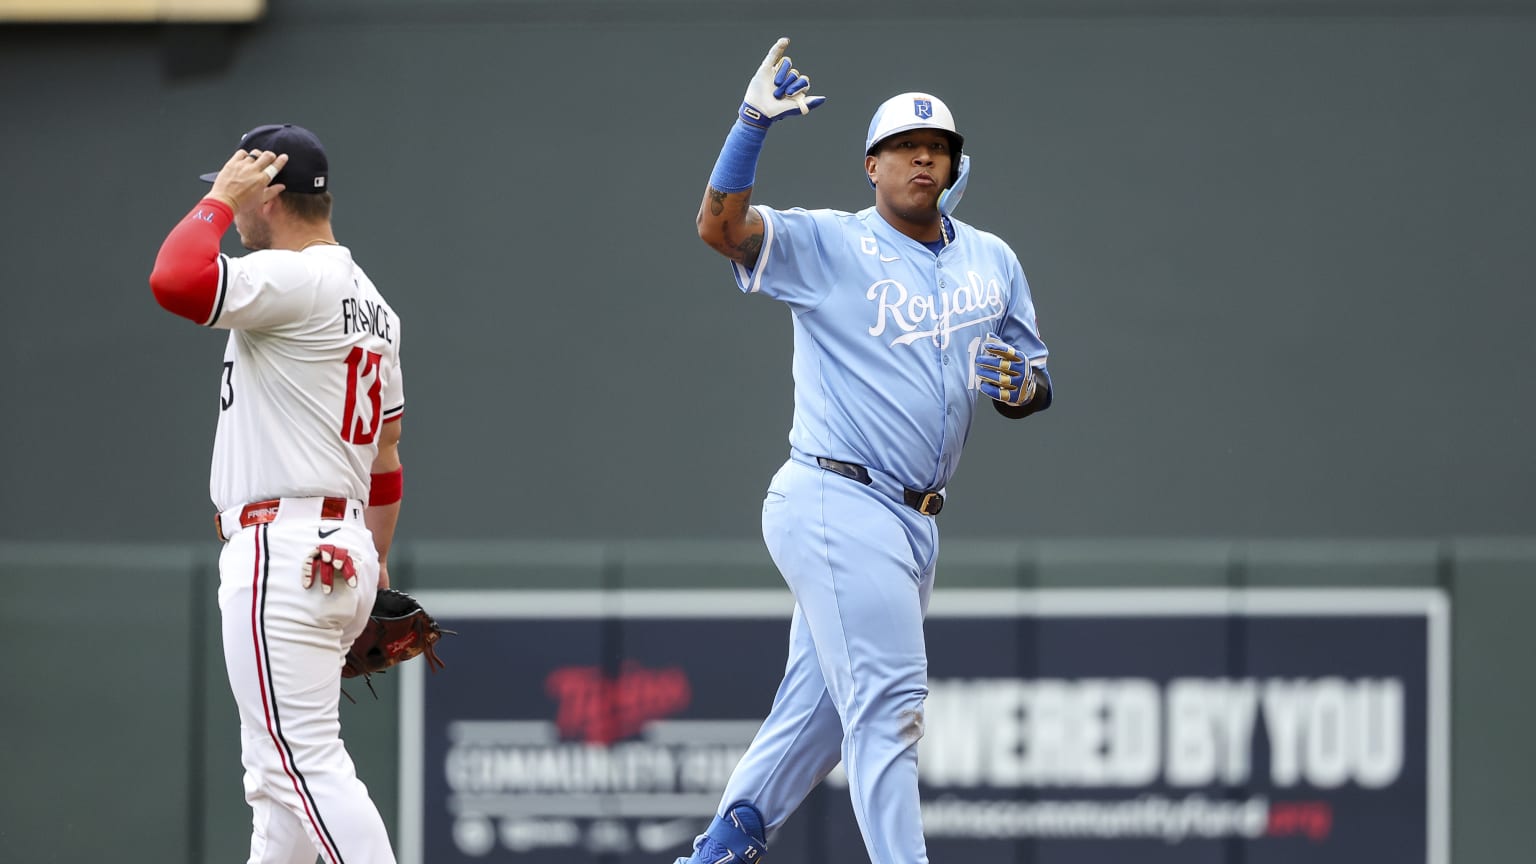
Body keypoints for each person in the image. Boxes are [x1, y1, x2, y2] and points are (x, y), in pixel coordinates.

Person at [682, 38, 1052, 864]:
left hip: (915, 521)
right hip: (834, 495)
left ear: (957, 164)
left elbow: (1035, 381)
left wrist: (1020, 388)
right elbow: (720, 227)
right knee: (889, 702)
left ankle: (718, 851)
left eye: (938, 148)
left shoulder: (992, 260)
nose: (924, 158)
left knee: (814, 717)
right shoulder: (829, 244)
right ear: (871, 167)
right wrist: (750, 128)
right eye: (903, 148)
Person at [149, 124, 405, 864]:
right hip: (339, 550)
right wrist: (374, 562)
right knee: (276, 784)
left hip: (283, 553)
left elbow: (176, 280)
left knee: (304, 767)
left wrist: (220, 205)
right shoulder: (374, 305)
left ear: (269, 193)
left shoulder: (296, 278)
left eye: (231, 183)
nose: (219, 194)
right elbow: (386, 455)